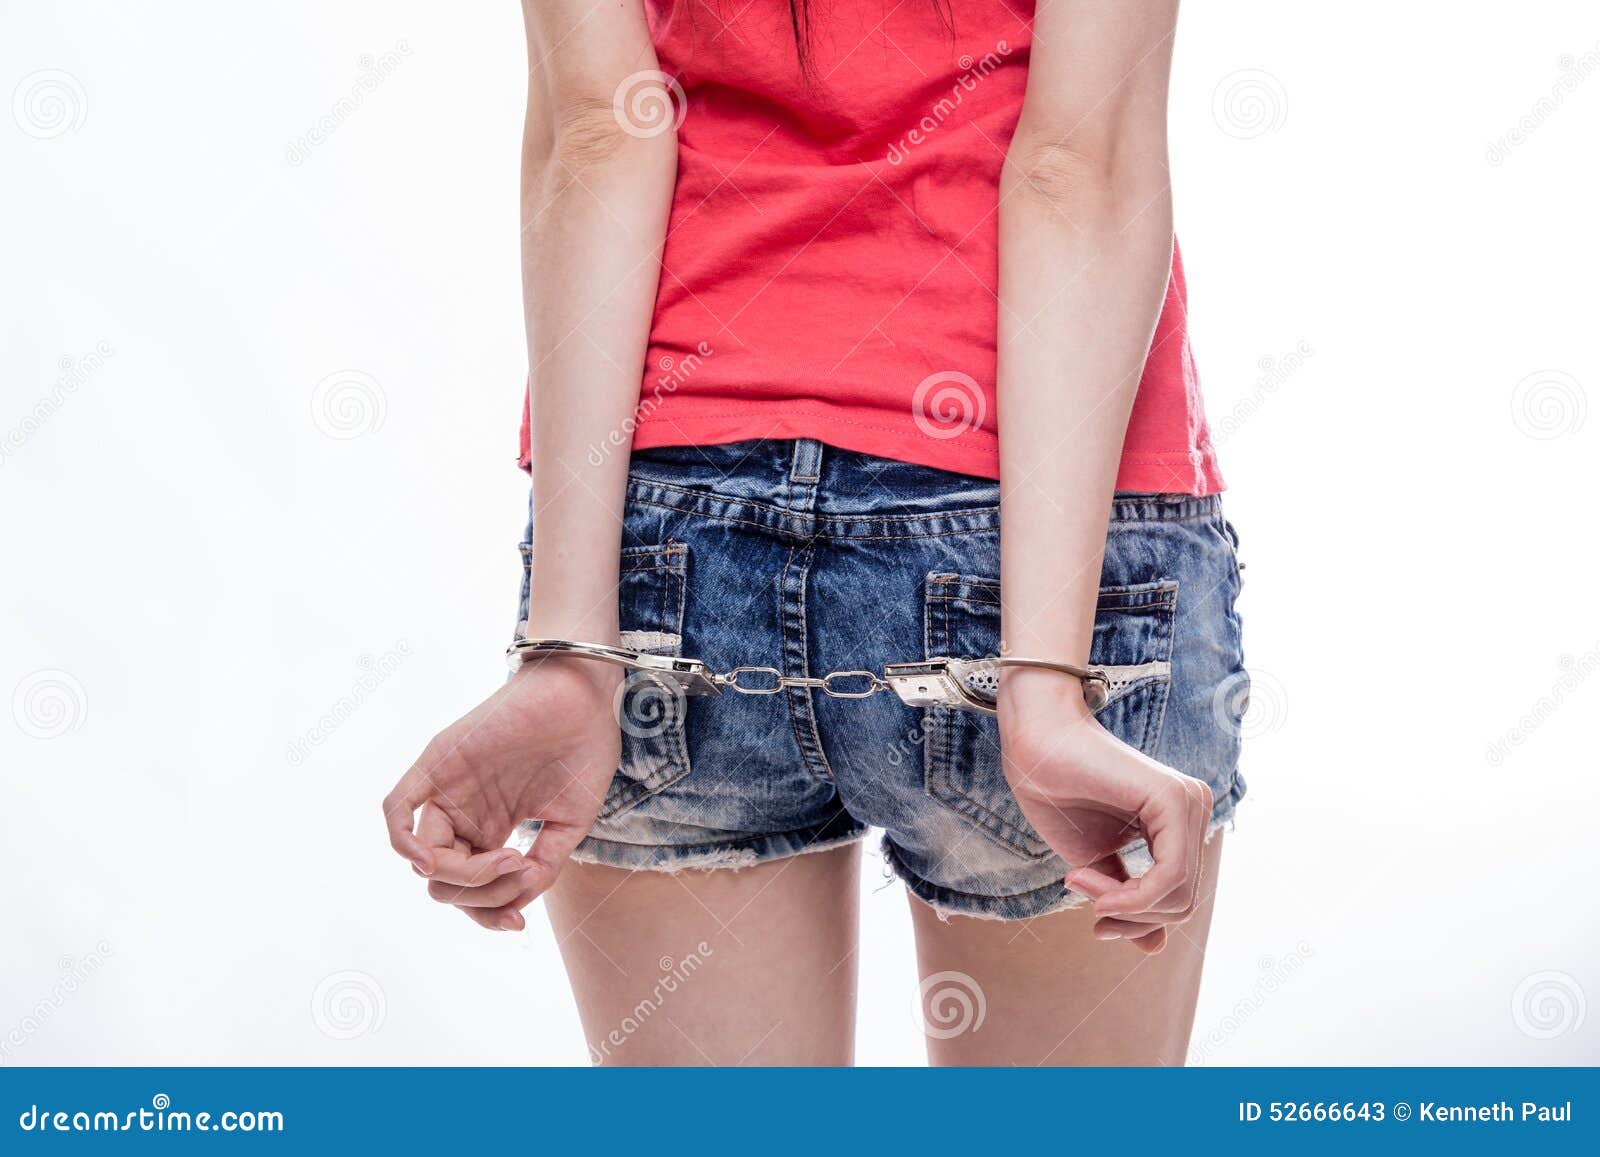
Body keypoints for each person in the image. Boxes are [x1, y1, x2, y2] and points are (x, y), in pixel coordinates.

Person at [383, 0, 1247, 1066]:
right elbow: (1081, 165)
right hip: (1032, 518)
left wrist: (571, 652)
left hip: (665, 538)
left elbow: (599, 129)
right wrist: (1041, 682)